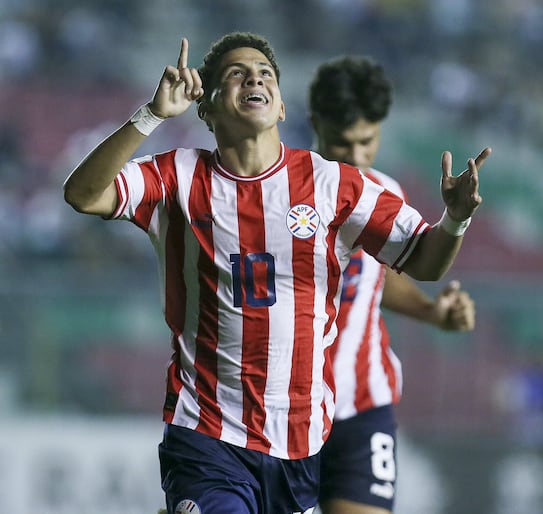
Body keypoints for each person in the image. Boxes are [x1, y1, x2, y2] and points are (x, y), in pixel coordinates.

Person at [62, 32, 491, 514]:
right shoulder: (176, 176)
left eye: (265, 73)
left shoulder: (335, 185)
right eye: (236, 74)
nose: (254, 78)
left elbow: (426, 261)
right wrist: (151, 115)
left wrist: (455, 218)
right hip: (208, 433)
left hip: (300, 444)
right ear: (207, 109)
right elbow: (83, 194)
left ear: (282, 107)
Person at [308, 56, 476, 514]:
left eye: (368, 141)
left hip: (362, 405)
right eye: (343, 144)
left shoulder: (383, 192)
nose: (358, 157)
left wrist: (430, 311)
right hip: (284, 409)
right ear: (314, 124)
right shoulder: (283, 191)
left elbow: (374, 279)